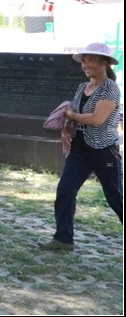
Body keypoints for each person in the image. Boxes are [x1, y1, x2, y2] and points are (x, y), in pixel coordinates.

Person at [39, 42, 123, 251]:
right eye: (84, 61)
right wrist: (67, 128)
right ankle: (63, 239)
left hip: (104, 150)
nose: (86, 64)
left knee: (115, 197)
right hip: (80, 149)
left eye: (91, 60)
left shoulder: (110, 88)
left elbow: (96, 119)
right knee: (65, 190)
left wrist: (70, 115)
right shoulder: (81, 87)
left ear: (105, 63)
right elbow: (75, 116)